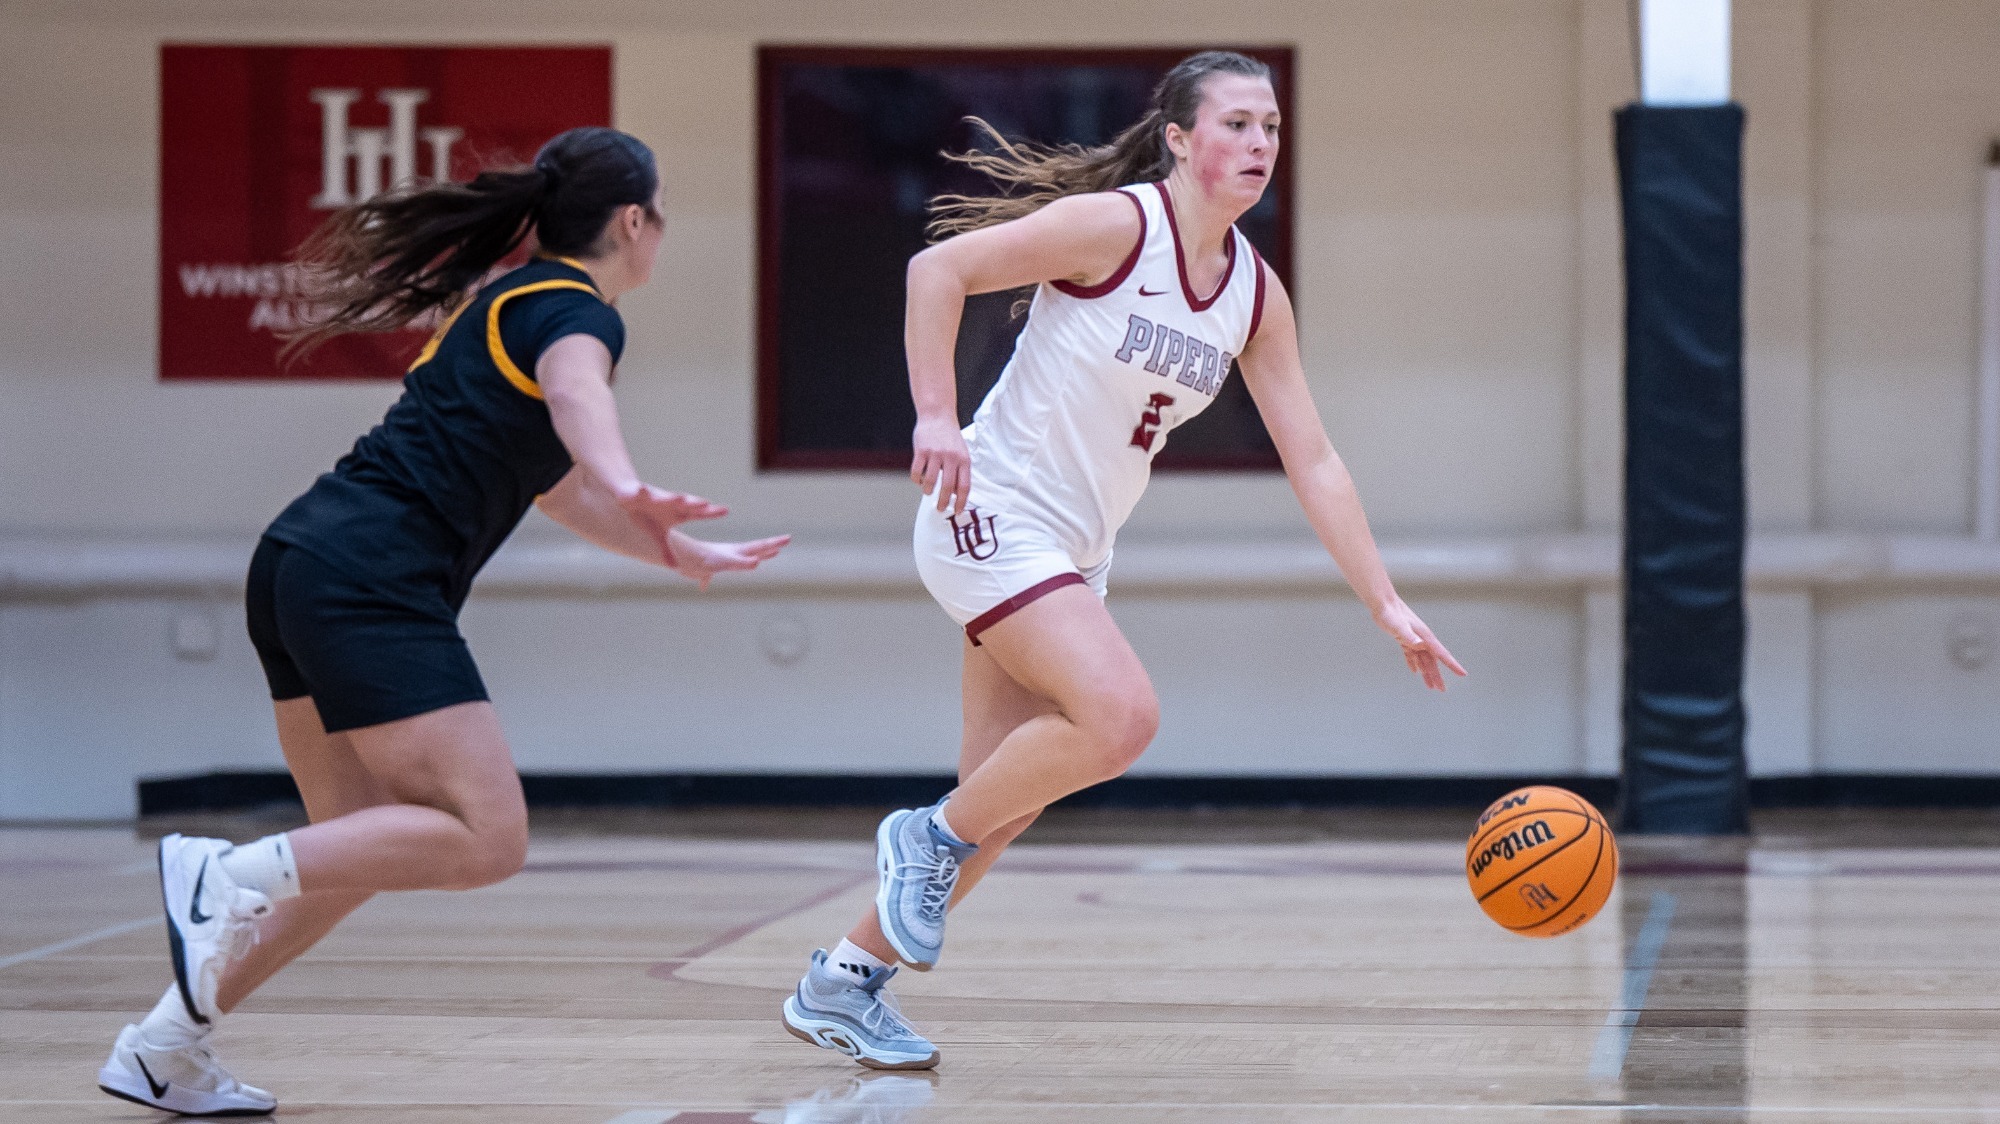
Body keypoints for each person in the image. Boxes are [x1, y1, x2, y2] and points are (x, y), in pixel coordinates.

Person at [780, 51, 1466, 1071]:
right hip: (991, 512)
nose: (1258, 144)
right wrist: (936, 417)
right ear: (1181, 138)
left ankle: (842, 979)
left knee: (1000, 806)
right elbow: (939, 269)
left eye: (1270, 126)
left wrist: (1385, 599)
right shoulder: (1118, 227)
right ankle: (918, 837)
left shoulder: (1251, 293)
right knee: (1120, 717)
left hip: (1071, 551)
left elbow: (1311, 455)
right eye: (1235, 123)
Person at [97, 127, 789, 1116]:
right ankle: (221, 869)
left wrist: (679, 552)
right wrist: (631, 478)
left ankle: (164, 1043)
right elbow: (578, 392)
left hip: (301, 558)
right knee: (486, 834)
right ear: (632, 221)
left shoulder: (500, 302)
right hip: (368, 576)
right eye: (662, 210)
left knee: (350, 850)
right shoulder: (570, 311)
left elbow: (552, 490)